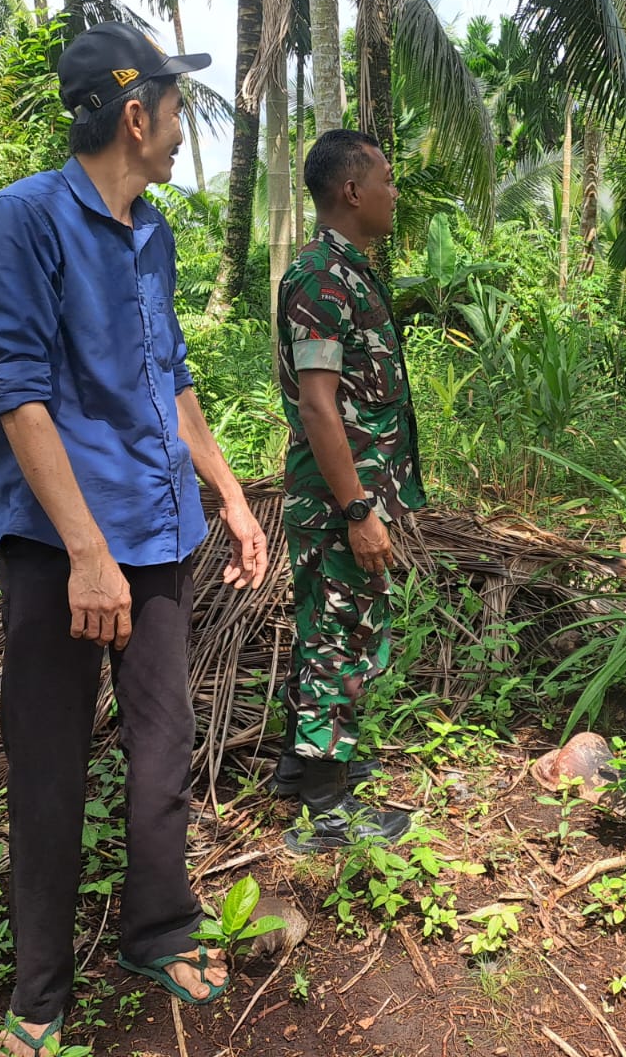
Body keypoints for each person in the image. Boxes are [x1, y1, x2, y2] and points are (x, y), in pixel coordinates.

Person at [0, 21, 269, 1056]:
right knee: (48, 763)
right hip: (61, 550)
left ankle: (157, 928)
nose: (186, 130)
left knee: (161, 744)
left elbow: (167, 375)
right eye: (179, 110)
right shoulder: (20, 224)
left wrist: (224, 489)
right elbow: (19, 396)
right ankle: (39, 996)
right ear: (135, 116)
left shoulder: (155, 230)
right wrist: (87, 552)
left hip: (158, 530)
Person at [272, 129, 423, 853]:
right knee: (339, 635)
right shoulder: (322, 279)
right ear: (351, 191)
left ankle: (305, 768)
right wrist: (358, 509)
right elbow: (317, 404)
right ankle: (329, 813)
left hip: (348, 496)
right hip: (338, 501)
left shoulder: (350, 273)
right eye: (387, 180)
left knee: (330, 628)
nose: (396, 192)